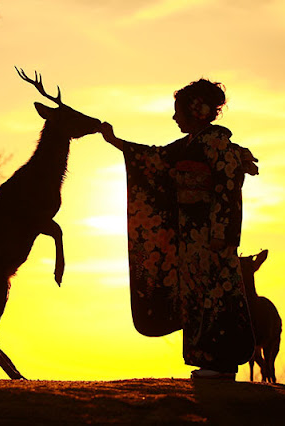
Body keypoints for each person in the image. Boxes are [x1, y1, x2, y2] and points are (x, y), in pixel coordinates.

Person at [99, 78, 258, 380]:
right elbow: (153, 158)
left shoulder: (217, 145)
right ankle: (208, 360)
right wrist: (116, 141)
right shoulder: (189, 146)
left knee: (218, 296)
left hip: (213, 234)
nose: (175, 118)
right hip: (190, 235)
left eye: (178, 112)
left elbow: (227, 187)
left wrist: (222, 232)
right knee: (197, 296)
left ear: (196, 111)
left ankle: (222, 362)